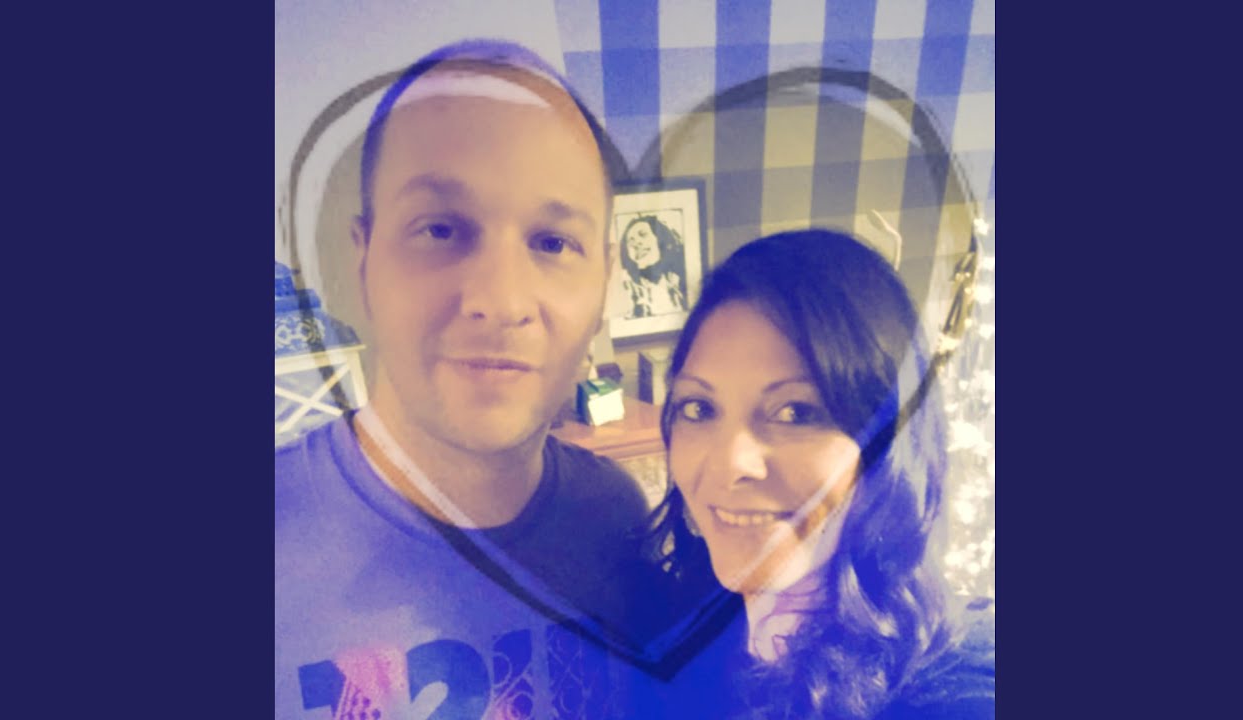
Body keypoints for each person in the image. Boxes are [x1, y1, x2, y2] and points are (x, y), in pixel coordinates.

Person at [274, 39, 704, 719]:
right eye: (441, 230)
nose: (501, 300)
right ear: (363, 262)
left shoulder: (613, 516)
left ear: (605, 284)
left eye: (553, 242)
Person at [643, 228, 995, 719]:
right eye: (699, 407)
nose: (729, 463)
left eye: (796, 413)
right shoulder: (683, 631)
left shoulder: (954, 693)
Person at [616, 214, 687, 318]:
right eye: (631, 241)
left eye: (643, 234)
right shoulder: (628, 290)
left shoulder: (680, 281)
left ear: (660, 239)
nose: (636, 244)